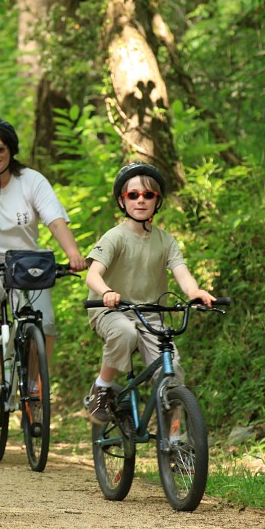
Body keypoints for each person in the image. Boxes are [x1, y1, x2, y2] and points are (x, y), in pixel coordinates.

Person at [0, 118, 86, 385]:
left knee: (44, 323)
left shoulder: (31, 180)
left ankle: (36, 389)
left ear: (11, 150)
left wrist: (73, 254)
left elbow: (55, 221)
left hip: (24, 258)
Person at [82, 162, 215, 424]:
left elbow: (182, 274)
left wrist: (195, 292)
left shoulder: (166, 240)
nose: (140, 200)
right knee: (125, 332)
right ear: (123, 201)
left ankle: (175, 440)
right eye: (133, 195)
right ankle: (102, 387)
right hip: (110, 310)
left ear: (158, 201)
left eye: (148, 195)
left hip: (150, 313)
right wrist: (107, 292)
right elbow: (92, 275)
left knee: (172, 370)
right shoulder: (114, 237)